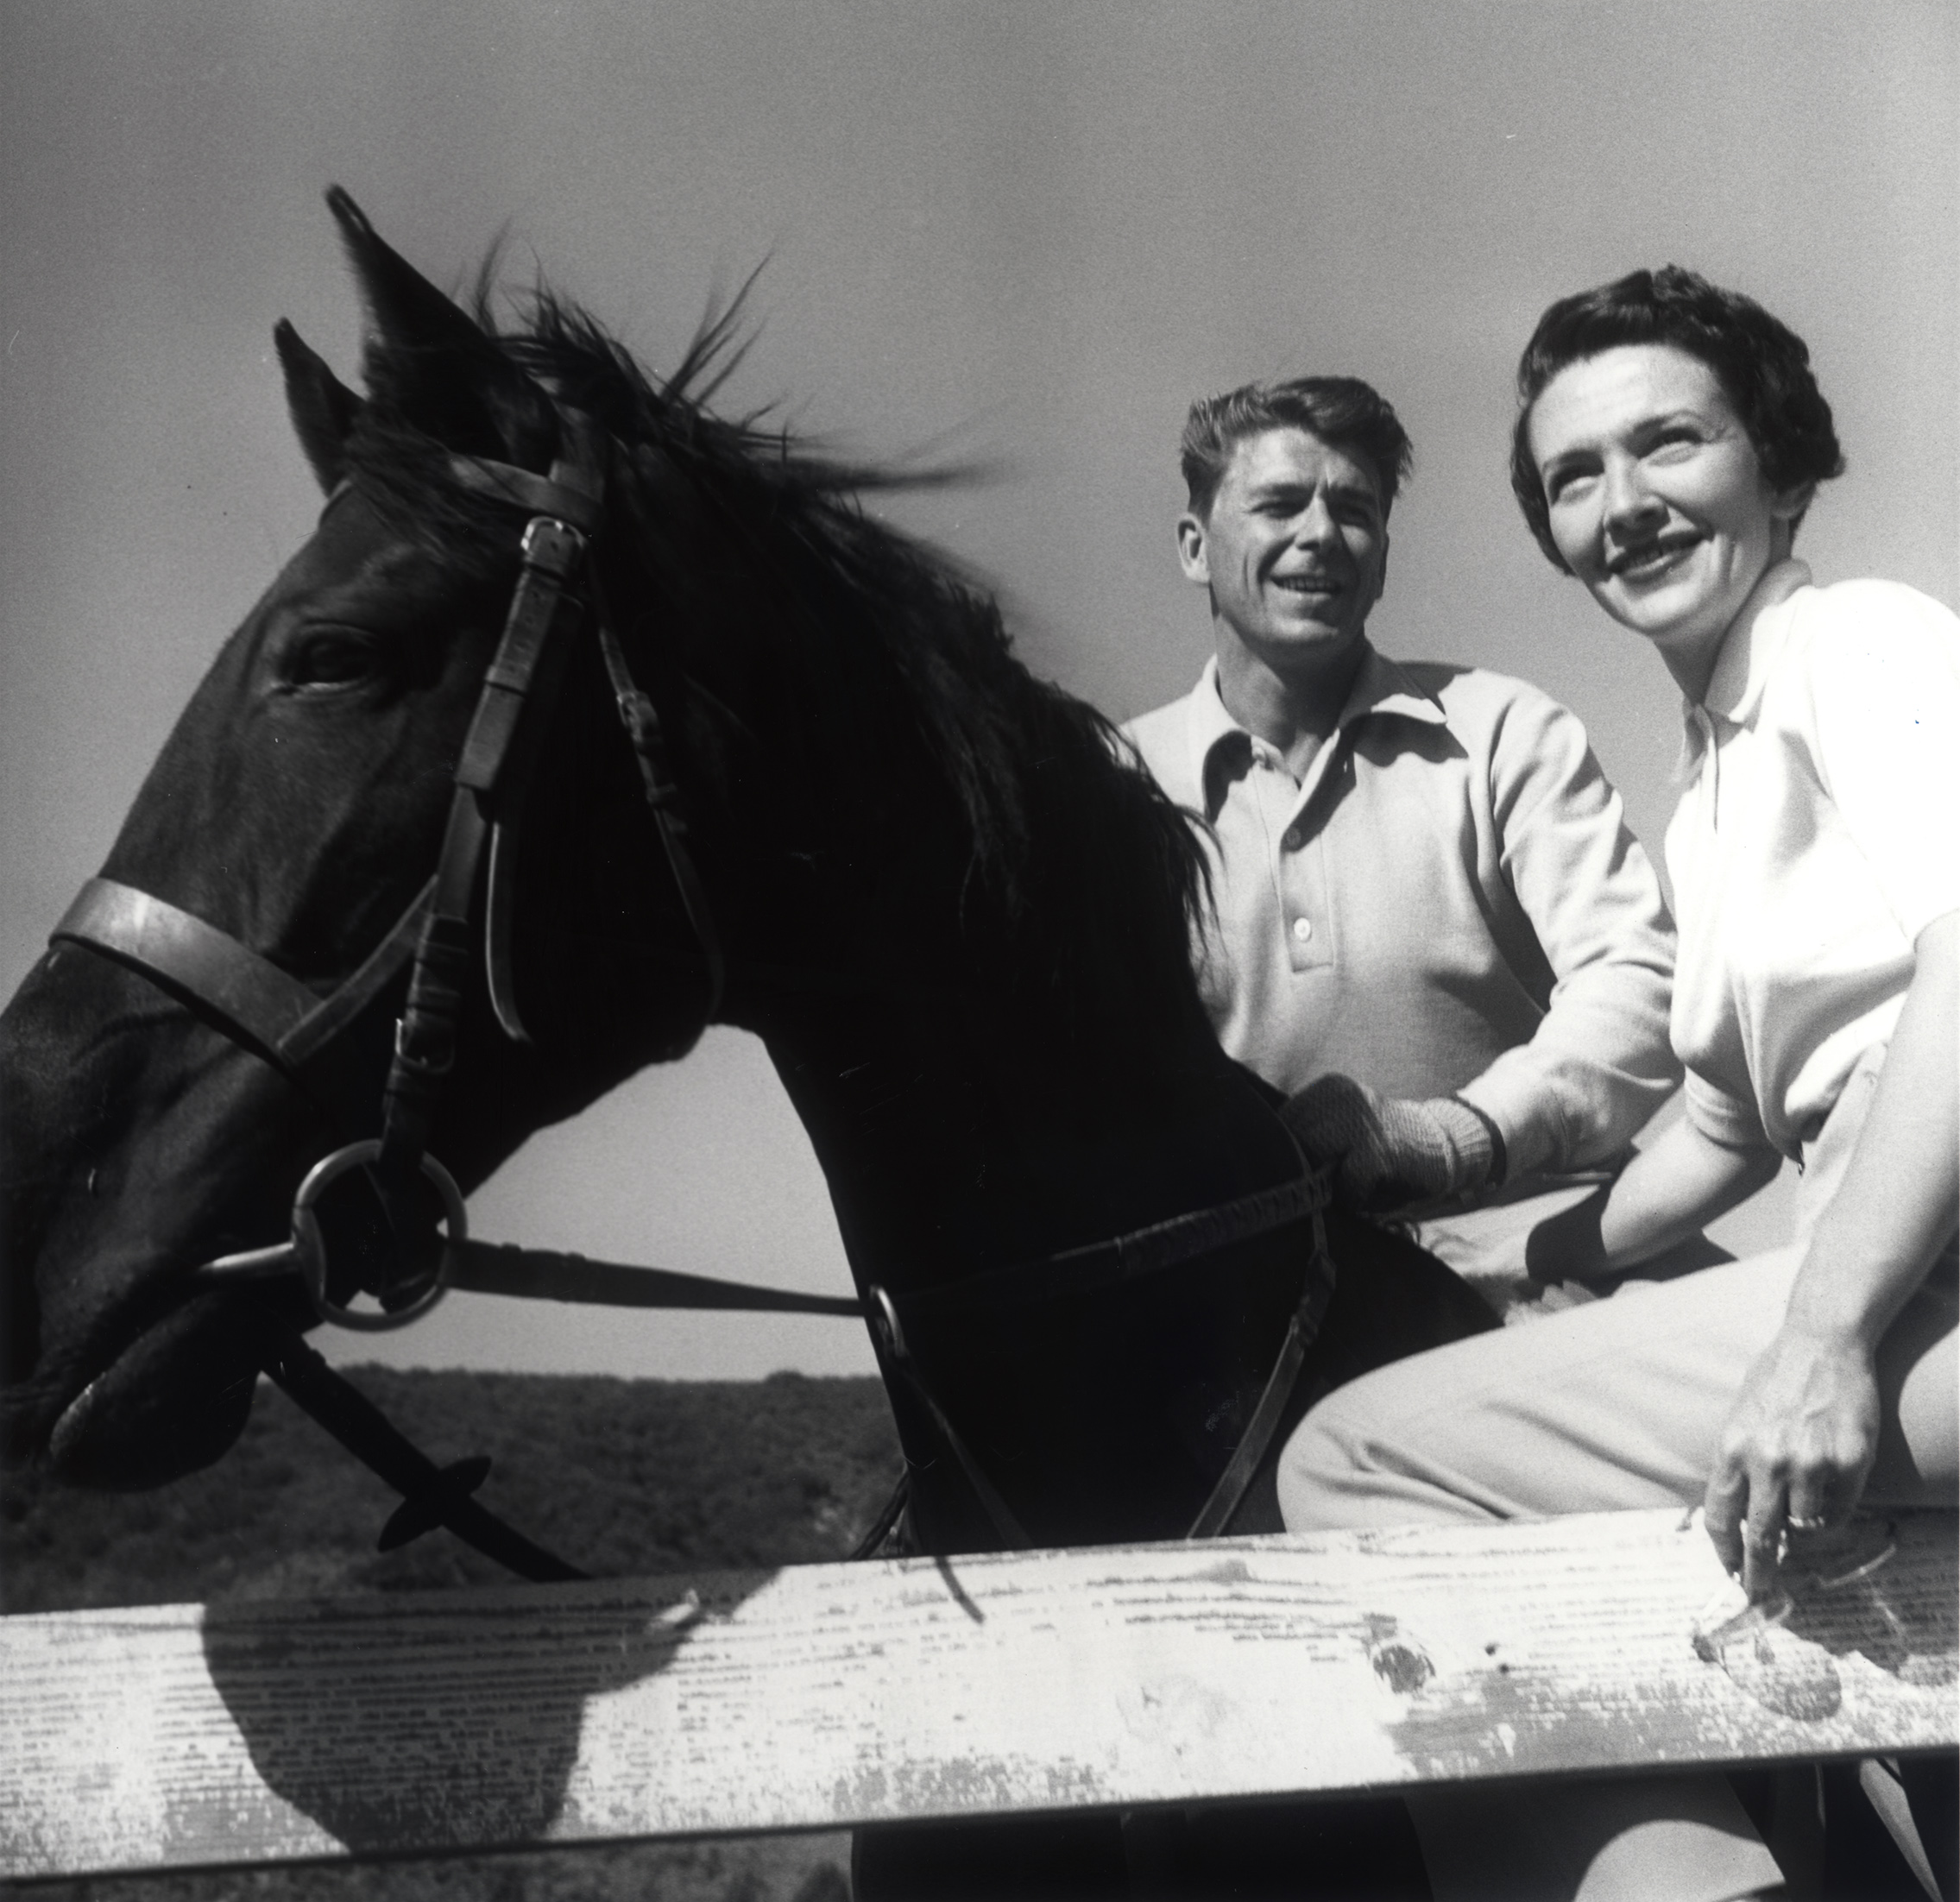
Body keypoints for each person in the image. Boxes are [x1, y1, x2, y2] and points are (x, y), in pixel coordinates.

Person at [1279, 268, 1958, 1901]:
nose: (1623, 504)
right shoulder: (1715, 772)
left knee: (1365, 1465)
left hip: (1929, 1286)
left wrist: (1816, 1338)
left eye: (1669, 444)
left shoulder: (1853, 644)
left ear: (1779, 462)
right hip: (1910, 1284)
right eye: (1575, 476)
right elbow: (1726, 1117)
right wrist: (1528, 1251)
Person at [1123, 376, 1685, 1305]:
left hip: (1544, 1262)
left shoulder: (1505, 729)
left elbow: (1639, 985)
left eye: (1355, 509)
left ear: (1381, 558)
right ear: (1194, 547)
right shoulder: (1114, 783)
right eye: (1278, 504)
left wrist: (1446, 1138)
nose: (1319, 534)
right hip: (1246, 1316)